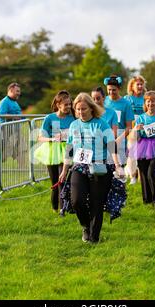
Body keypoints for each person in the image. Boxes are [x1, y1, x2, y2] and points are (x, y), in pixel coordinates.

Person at [58, 93, 125, 244]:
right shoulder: (74, 125)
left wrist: (118, 166)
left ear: (91, 108)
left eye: (84, 109)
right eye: (78, 109)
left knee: (97, 203)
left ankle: (94, 238)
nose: (81, 112)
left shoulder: (101, 124)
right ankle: (86, 226)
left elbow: (111, 145)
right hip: (79, 167)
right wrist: (64, 170)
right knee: (76, 201)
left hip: (100, 167)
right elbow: (69, 149)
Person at [35, 90, 75, 215]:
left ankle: (64, 208)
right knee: (55, 182)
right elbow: (40, 137)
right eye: (66, 105)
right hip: (52, 151)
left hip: (67, 150)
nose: (69, 107)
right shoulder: (50, 118)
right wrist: (52, 139)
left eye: (70, 104)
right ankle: (54, 208)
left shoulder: (73, 118)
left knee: (63, 179)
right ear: (58, 104)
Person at [104, 75, 135, 166]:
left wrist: (119, 139)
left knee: (120, 168)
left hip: (120, 139)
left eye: (114, 90)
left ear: (119, 89)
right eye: (109, 89)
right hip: (104, 138)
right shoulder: (104, 101)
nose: (111, 92)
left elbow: (129, 126)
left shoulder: (126, 104)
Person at [124, 75, 147, 185]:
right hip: (132, 129)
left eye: (141, 84)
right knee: (132, 153)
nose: (140, 86)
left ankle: (142, 175)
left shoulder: (146, 98)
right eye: (137, 84)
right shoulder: (127, 99)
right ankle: (132, 175)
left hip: (145, 129)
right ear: (132, 86)